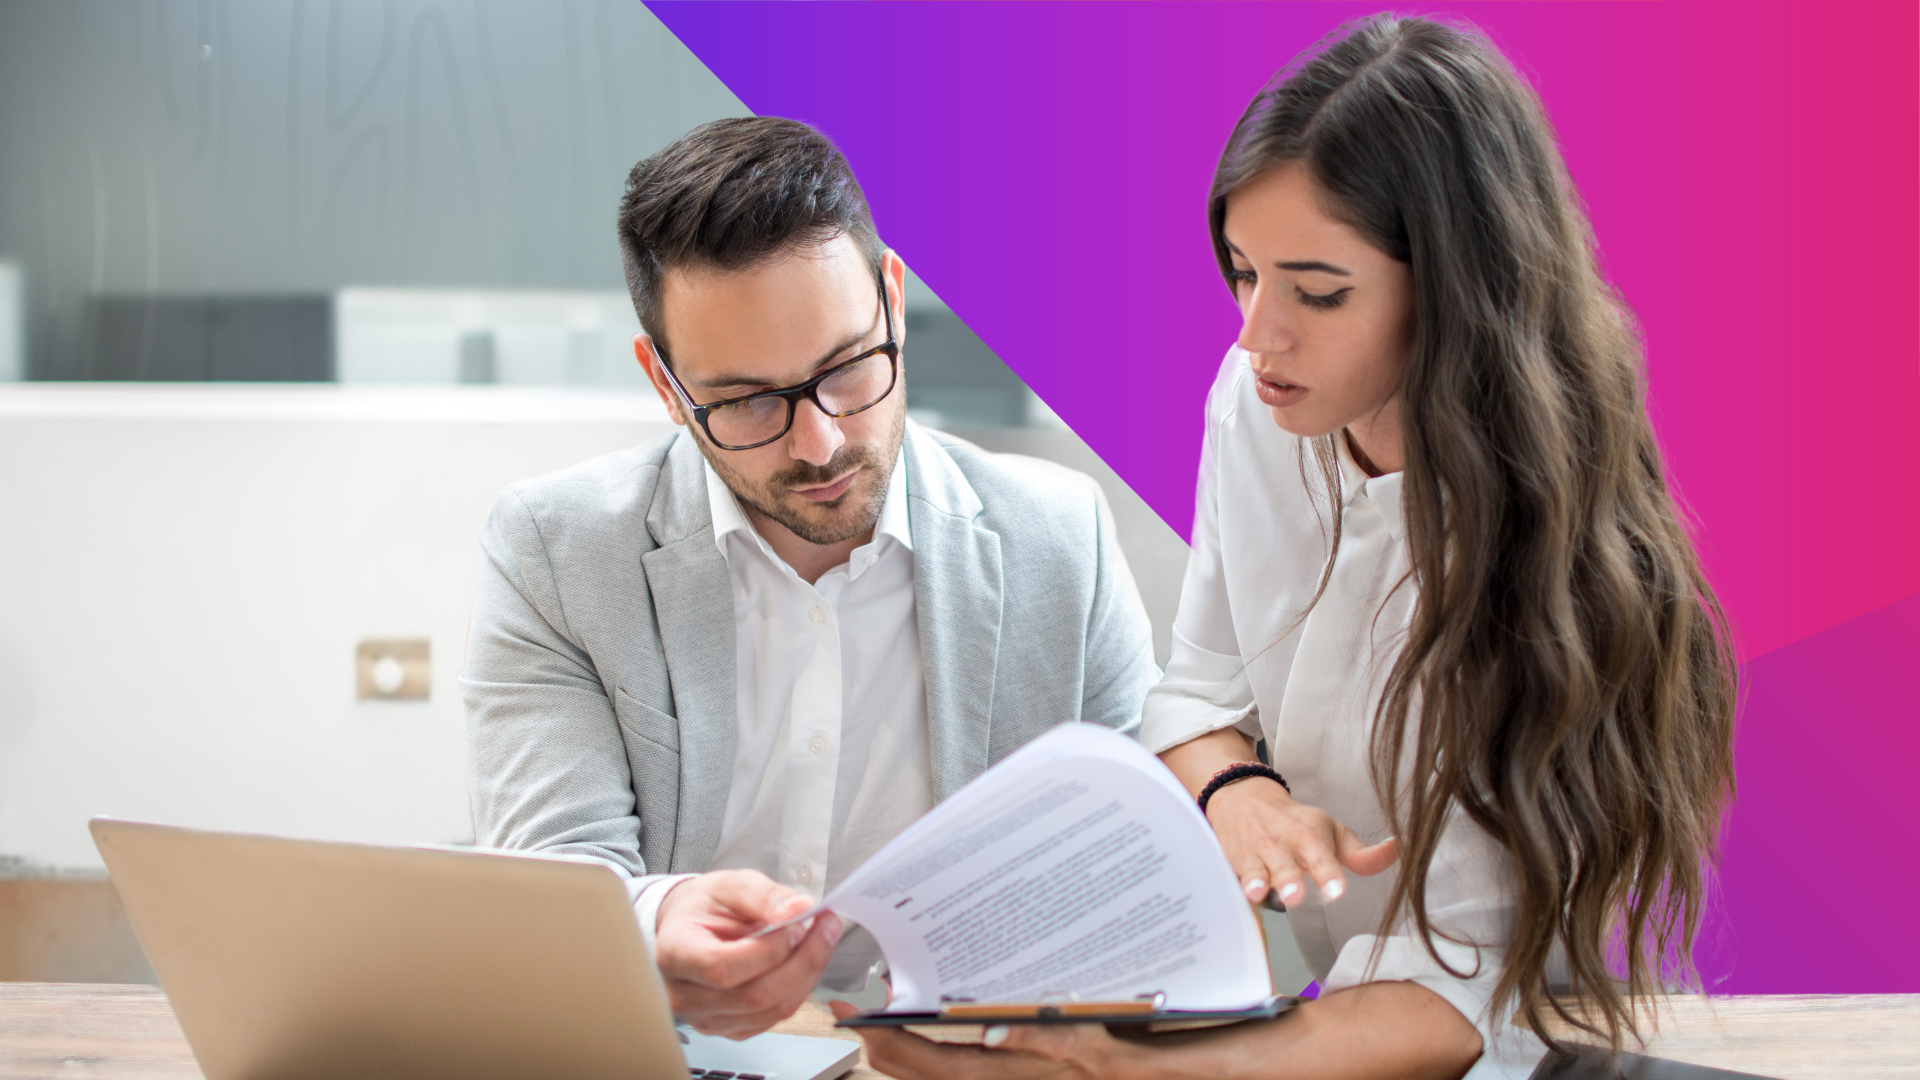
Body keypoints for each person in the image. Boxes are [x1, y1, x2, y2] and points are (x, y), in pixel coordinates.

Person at [837, 15, 1736, 1080]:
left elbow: (1469, 995)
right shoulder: (1259, 407)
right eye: (1241, 271)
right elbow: (1198, 690)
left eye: (1318, 291)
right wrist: (1236, 793)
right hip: (1333, 1014)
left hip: (1523, 1040)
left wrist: (1137, 1070)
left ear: (1457, 291)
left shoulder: (1542, 566)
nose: (1257, 335)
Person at [460, 118, 1159, 1039]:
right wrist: (658, 922)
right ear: (667, 387)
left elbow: (1133, 868)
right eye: (747, 400)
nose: (821, 441)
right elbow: (554, 876)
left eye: (847, 368)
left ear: (894, 302)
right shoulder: (557, 551)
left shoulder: (1059, 539)